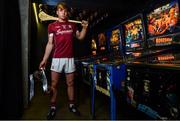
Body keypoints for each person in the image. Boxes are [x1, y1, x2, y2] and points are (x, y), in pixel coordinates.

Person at [39, 1, 88, 120]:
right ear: (57, 12)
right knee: (54, 84)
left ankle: (72, 105)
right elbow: (50, 44)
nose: (64, 12)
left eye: (65, 11)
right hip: (57, 59)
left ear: (67, 13)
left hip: (69, 59)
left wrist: (85, 28)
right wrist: (44, 59)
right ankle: (52, 107)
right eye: (61, 10)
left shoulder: (72, 25)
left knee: (70, 83)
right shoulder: (52, 26)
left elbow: (80, 37)